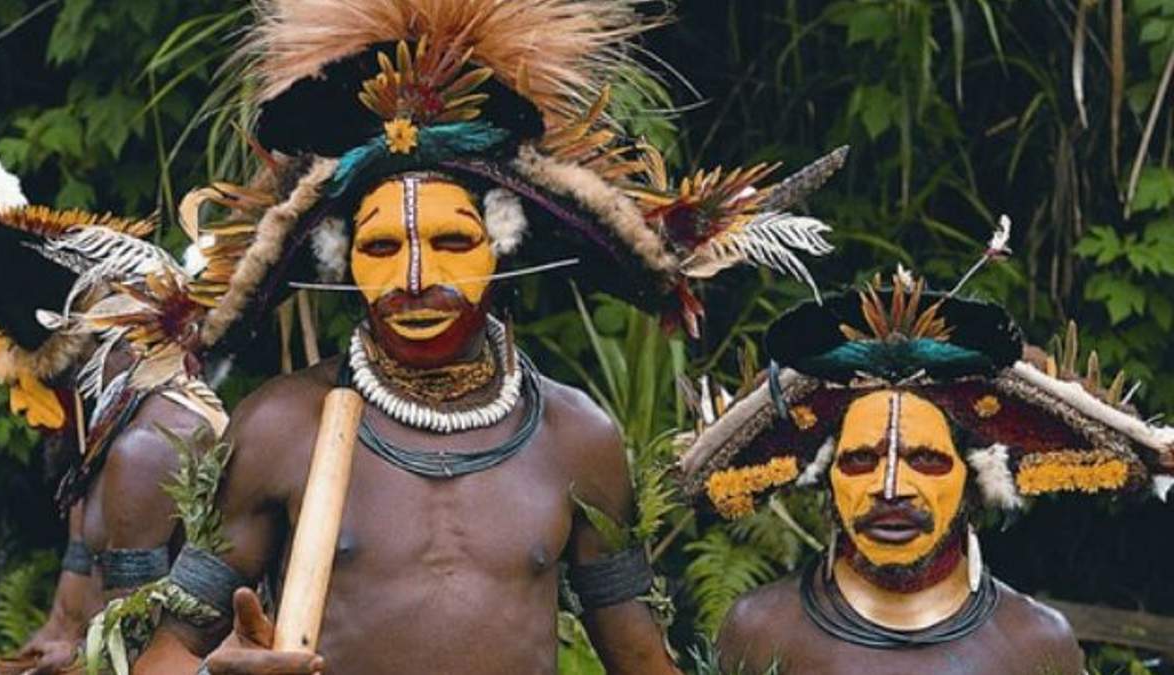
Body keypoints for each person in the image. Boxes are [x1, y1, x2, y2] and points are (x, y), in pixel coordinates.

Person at [130, 1, 847, 673]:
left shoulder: (577, 437)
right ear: (341, 261)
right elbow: (169, 652)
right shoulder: (282, 426)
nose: (415, 278)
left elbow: (639, 661)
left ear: (500, 246)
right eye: (381, 247)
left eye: (451, 242)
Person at [680, 246, 1173, 674]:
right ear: (827, 476)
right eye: (860, 460)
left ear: (974, 478)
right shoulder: (762, 630)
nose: (891, 487)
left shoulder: (1034, 644)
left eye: (927, 459)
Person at [0, 148, 227, 674]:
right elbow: (67, 624)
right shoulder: (97, 445)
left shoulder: (148, 447)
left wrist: (65, 662)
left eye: (30, 380)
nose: (25, 403)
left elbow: (131, 652)